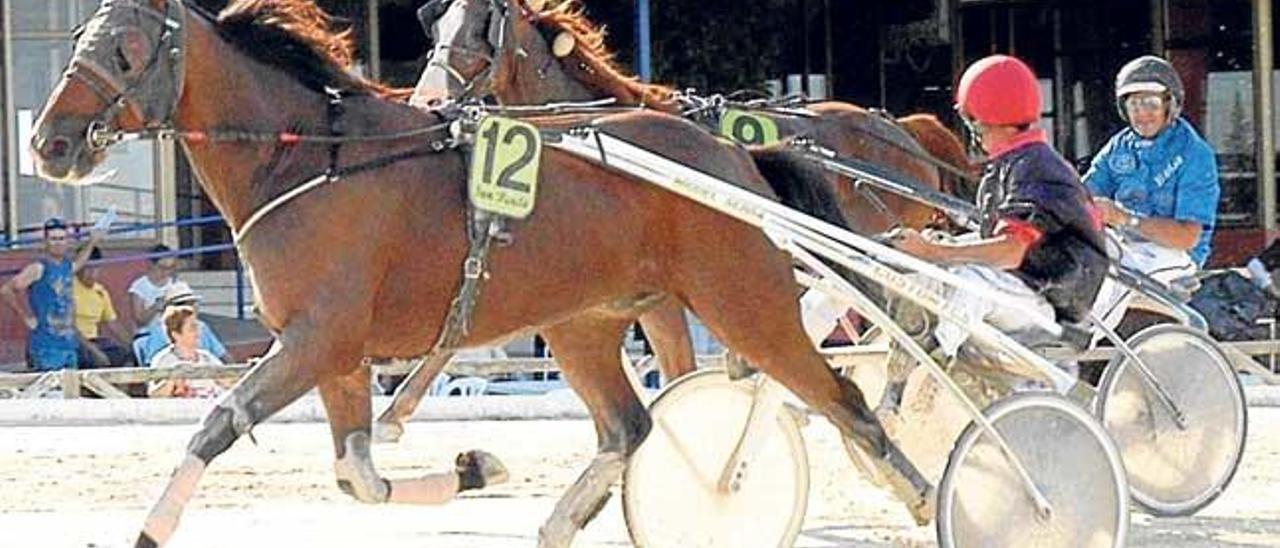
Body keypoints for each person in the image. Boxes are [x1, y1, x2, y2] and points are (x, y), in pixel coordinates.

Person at [882, 54, 1108, 392]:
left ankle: (934, 371)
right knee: (920, 275)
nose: (973, 134)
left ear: (995, 121)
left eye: (975, 124)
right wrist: (935, 245)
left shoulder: (1038, 169)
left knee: (971, 280)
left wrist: (933, 251)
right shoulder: (1007, 166)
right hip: (1021, 289)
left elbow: (1010, 252)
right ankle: (901, 373)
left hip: (1050, 300)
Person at [1083, 55, 1221, 326]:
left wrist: (1125, 218)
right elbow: (1085, 192)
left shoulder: (1194, 153)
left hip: (1175, 255)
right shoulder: (1120, 146)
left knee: (1122, 276)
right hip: (1128, 246)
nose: (1141, 113)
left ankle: (1082, 338)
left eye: (1151, 103)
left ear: (1171, 104)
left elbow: (1187, 237)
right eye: (1134, 103)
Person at [1, 218, 104, 371]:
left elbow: (79, 263)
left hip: (68, 345)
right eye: (53, 239)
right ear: (45, 242)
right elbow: (6, 290)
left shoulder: (66, 266)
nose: (58, 243)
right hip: (45, 347)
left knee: (69, 392)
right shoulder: (38, 268)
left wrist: (92, 242)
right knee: (49, 392)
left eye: (62, 239)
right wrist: (25, 316)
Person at [136, 281, 229, 366]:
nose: (191, 307)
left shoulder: (203, 327)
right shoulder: (160, 332)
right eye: (183, 303)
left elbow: (223, 356)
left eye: (192, 303)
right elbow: (153, 368)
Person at [74, 247, 134, 368]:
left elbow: (113, 323)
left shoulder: (100, 291)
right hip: (75, 343)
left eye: (95, 269)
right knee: (92, 359)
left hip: (95, 341)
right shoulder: (67, 287)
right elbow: (69, 328)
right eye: (87, 269)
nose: (91, 273)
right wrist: (94, 351)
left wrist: (133, 345)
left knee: (125, 355)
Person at [148, 305, 224, 398]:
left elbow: (229, 382)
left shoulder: (207, 358)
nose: (198, 332)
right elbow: (155, 395)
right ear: (176, 334)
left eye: (197, 327)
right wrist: (173, 378)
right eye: (192, 328)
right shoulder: (164, 360)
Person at [128, 244, 176, 336]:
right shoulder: (139, 286)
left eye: (170, 268)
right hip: (147, 335)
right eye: (162, 268)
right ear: (151, 264)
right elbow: (140, 321)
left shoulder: (174, 284)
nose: (166, 272)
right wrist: (155, 307)